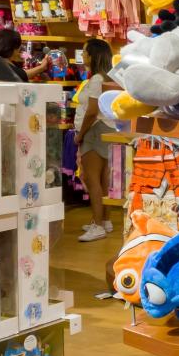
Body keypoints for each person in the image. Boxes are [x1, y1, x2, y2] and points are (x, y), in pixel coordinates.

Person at [75, 39, 116, 242]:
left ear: (92, 55)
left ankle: (97, 224)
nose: (82, 55)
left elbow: (91, 111)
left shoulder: (96, 80)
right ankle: (103, 220)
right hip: (107, 129)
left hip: (93, 130)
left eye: (84, 51)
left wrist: (80, 134)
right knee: (103, 179)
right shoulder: (108, 78)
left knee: (92, 179)